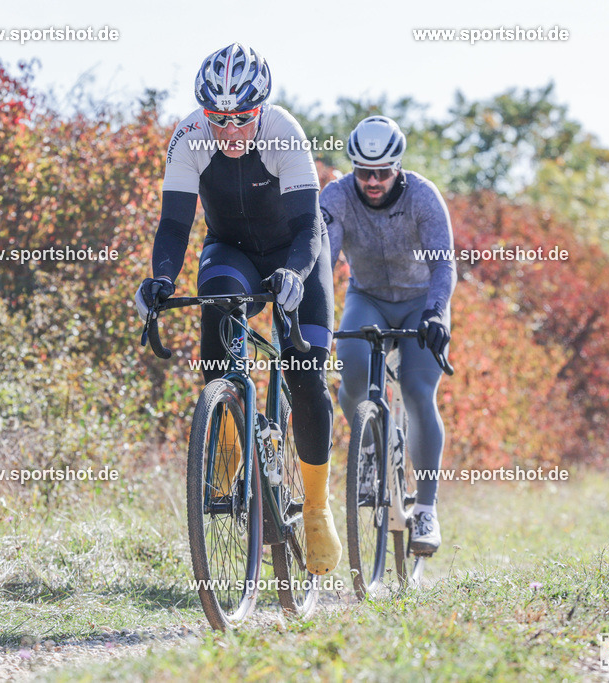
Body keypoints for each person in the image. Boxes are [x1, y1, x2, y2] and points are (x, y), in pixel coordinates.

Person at [134, 43, 341, 575]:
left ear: (261, 109)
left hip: (296, 252)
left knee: (305, 374)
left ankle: (316, 507)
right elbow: (175, 226)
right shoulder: (187, 137)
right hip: (231, 251)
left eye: (241, 119)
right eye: (217, 119)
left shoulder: (284, 132)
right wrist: (159, 281)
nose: (228, 132)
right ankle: (228, 437)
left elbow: (305, 227)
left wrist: (294, 274)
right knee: (215, 317)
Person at [321, 116, 455, 554]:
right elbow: (324, 257)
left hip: (421, 302)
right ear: (352, 167)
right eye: (363, 172)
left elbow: (444, 265)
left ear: (398, 167)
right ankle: (368, 449)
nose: (373, 181)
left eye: (382, 172)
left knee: (418, 391)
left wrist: (436, 313)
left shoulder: (423, 196)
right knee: (353, 375)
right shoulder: (337, 197)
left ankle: (427, 510)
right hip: (368, 297)